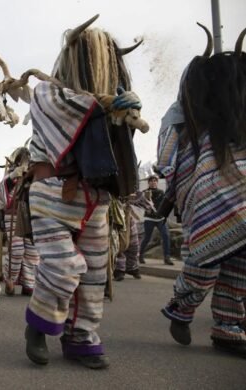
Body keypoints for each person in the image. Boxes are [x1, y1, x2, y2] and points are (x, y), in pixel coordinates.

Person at [23, 14, 146, 369]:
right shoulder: (47, 94)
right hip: (52, 193)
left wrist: (127, 112)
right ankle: (37, 325)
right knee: (64, 266)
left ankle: (80, 338)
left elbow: (115, 147)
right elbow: (78, 110)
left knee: (93, 273)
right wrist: (107, 105)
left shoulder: (107, 104)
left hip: (97, 197)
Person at [159, 25, 246, 357]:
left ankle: (228, 327)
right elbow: (169, 149)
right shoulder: (196, 125)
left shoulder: (239, 125)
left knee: (240, 267)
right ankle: (181, 309)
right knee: (203, 261)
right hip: (209, 193)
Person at [0, 146, 40, 296]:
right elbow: (1, 194)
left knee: (32, 251)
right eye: (22, 160)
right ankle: (10, 280)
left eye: (27, 160)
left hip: (30, 215)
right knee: (16, 250)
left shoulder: (35, 173)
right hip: (13, 214)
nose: (25, 163)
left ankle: (29, 283)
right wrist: (12, 178)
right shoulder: (10, 175)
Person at [139, 175, 173, 265]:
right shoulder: (144, 192)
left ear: (157, 182)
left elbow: (164, 204)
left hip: (160, 218)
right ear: (148, 182)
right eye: (151, 181)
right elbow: (140, 204)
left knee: (166, 236)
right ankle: (140, 255)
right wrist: (146, 207)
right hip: (149, 218)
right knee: (147, 238)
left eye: (155, 181)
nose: (153, 182)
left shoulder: (161, 192)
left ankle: (167, 257)